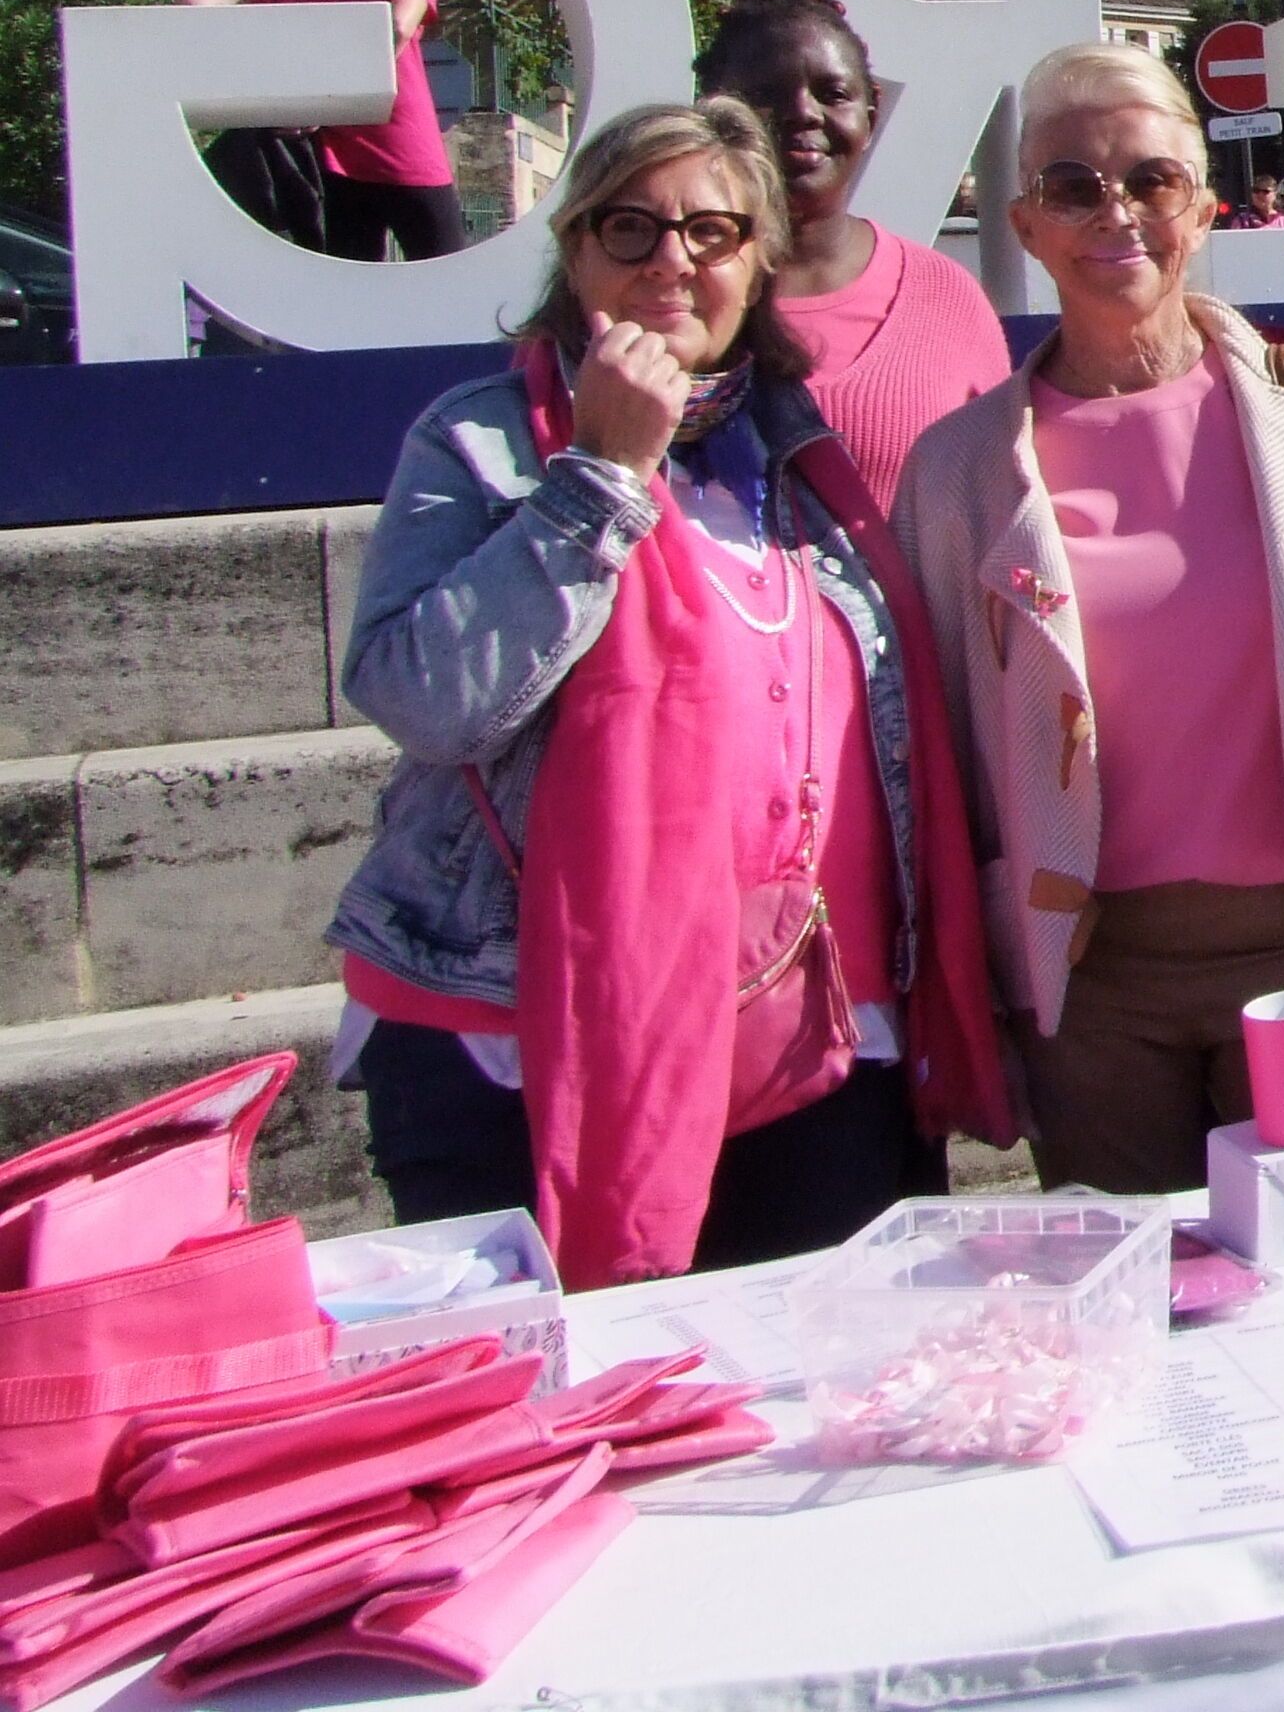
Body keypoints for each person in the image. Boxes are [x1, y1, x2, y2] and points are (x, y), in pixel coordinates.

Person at [324, 99, 1012, 1288]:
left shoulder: (805, 462)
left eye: (713, 231)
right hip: (519, 1042)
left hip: (810, 1041)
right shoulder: (482, 444)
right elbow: (427, 698)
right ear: (574, 251)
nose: (671, 262)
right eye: (630, 228)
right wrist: (599, 470)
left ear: (759, 265)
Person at [891, 43, 1284, 1194]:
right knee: (1136, 1305)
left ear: (1202, 207)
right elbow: (938, 742)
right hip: (1085, 981)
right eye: (1073, 186)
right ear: (1027, 222)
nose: (1116, 213)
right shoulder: (956, 472)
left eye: (1150, 180)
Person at [693, 0, 1013, 513]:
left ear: (872, 113)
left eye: (832, 93)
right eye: (766, 94)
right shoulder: (668, 287)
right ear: (712, 110)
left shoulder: (947, 298)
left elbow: (1005, 508)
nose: (801, 114)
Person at [176, 0, 465, 261]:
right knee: (446, 273)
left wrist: (297, 89)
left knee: (351, 295)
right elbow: (397, 25)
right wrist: (349, 87)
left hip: (326, 155)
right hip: (403, 146)